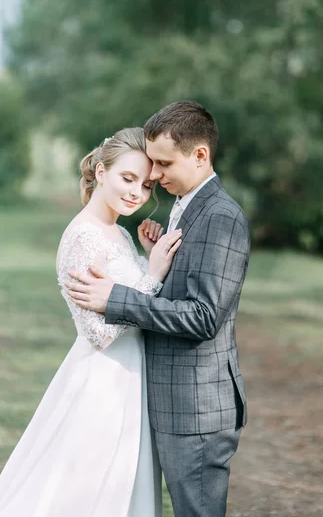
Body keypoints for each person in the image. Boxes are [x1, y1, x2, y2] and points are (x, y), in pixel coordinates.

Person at [0, 127, 182, 517]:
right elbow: (98, 332)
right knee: (83, 490)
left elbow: (130, 298)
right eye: (127, 178)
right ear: (101, 172)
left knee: (122, 486)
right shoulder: (83, 237)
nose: (137, 192)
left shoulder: (118, 232)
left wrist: (148, 257)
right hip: (102, 381)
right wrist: (152, 274)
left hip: (131, 376)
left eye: (145, 185)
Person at [66, 100, 251, 517]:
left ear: (200, 155)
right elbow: (183, 289)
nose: (154, 174)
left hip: (196, 407)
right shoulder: (185, 208)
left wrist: (117, 297)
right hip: (166, 398)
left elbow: (203, 316)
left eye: (163, 164)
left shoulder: (222, 217)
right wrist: (154, 265)